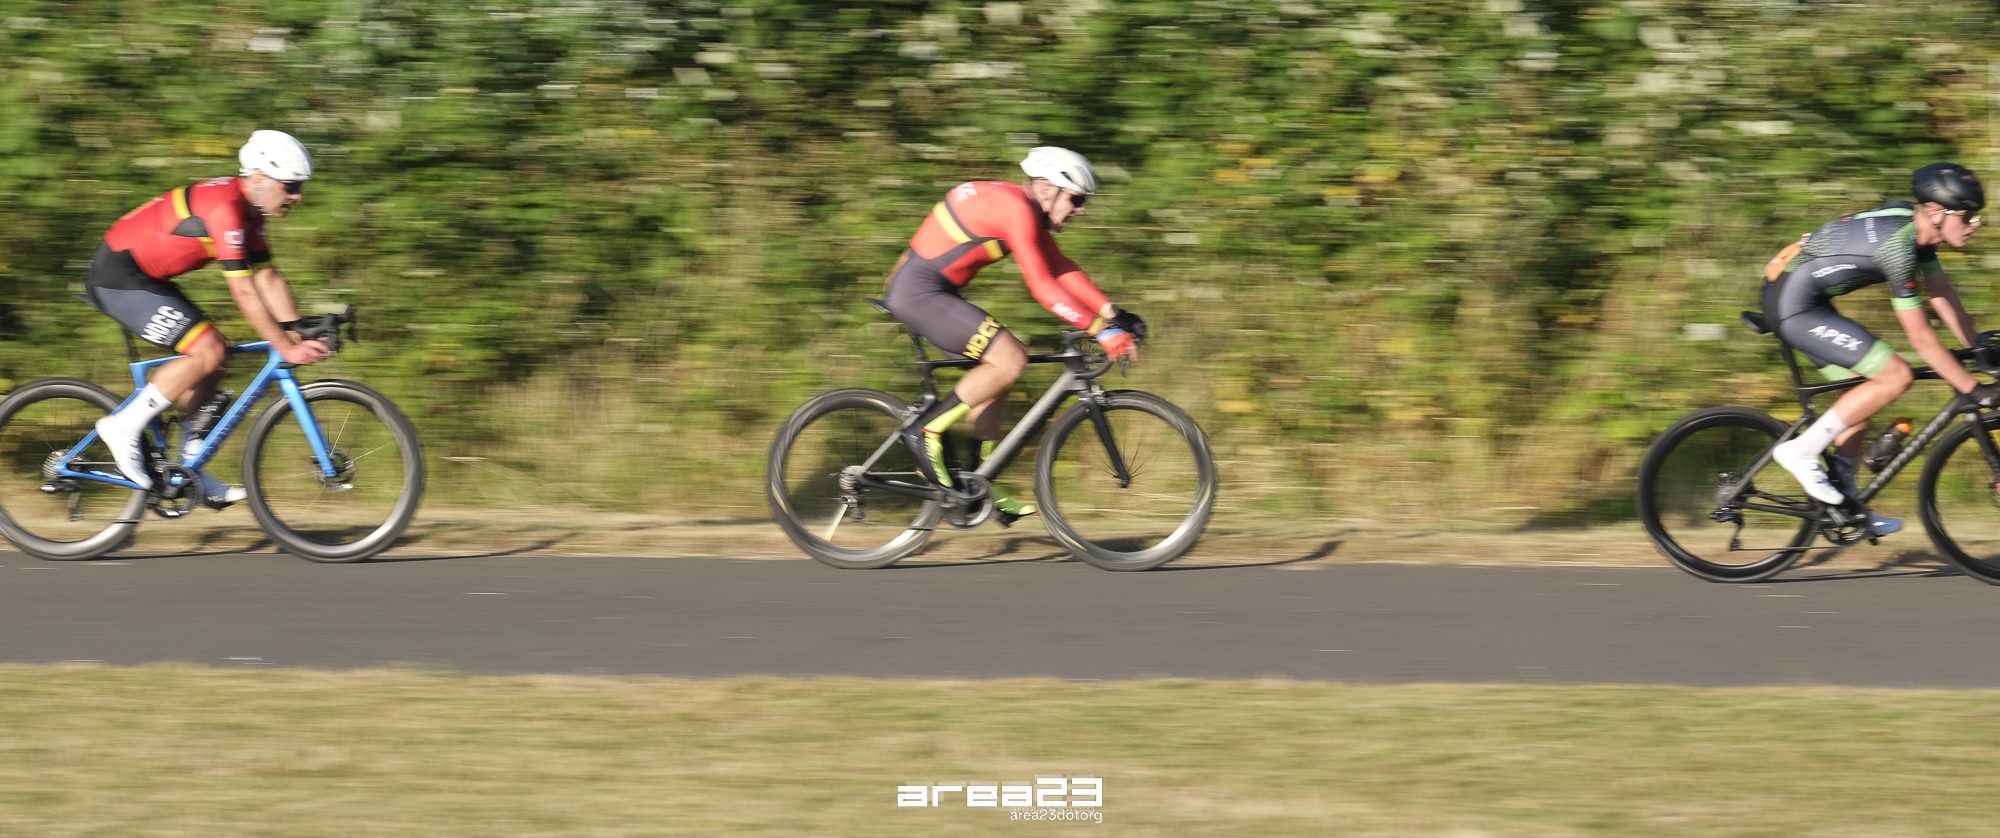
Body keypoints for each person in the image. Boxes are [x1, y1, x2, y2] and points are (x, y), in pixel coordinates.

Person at [884, 147, 1143, 522]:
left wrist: (1112, 312)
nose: (1080, 210)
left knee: (1000, 372)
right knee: (1010, 359)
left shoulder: (1023, 208)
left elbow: (1060, 268)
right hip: (920, 293)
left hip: (932, 291)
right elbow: (1043, 287)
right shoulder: (1016, 209)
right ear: (1048, 189)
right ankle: (926, 432)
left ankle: (979, 481)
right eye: (1077, 199)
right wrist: (1100, 330)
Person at [88, 129, 330, 506]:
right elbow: (244, 292)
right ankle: (122, 427)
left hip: (147, 277)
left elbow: (267, 277)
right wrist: (284, 347)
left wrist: (297, 330)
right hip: (118, 278)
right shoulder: (226, 209)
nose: (297, 196)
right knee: (208, 350)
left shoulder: (251, 214)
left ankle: (190, 466)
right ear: (260, 179)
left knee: (217, 358)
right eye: (291, 186)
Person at [1763, 162, 2000, 534]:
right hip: (1794, 305)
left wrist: (1977, 347)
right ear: (1936, 214)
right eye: (1967, 215)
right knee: (1895, 376)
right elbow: (1922, 339)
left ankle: (1846, 503)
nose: (1975, 223)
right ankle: (1800, 451)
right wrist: (1973, 389)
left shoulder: (1918, 230)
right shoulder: (1899, 248)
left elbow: (1942, 294)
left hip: (1805, 297)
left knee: (1861, 395)